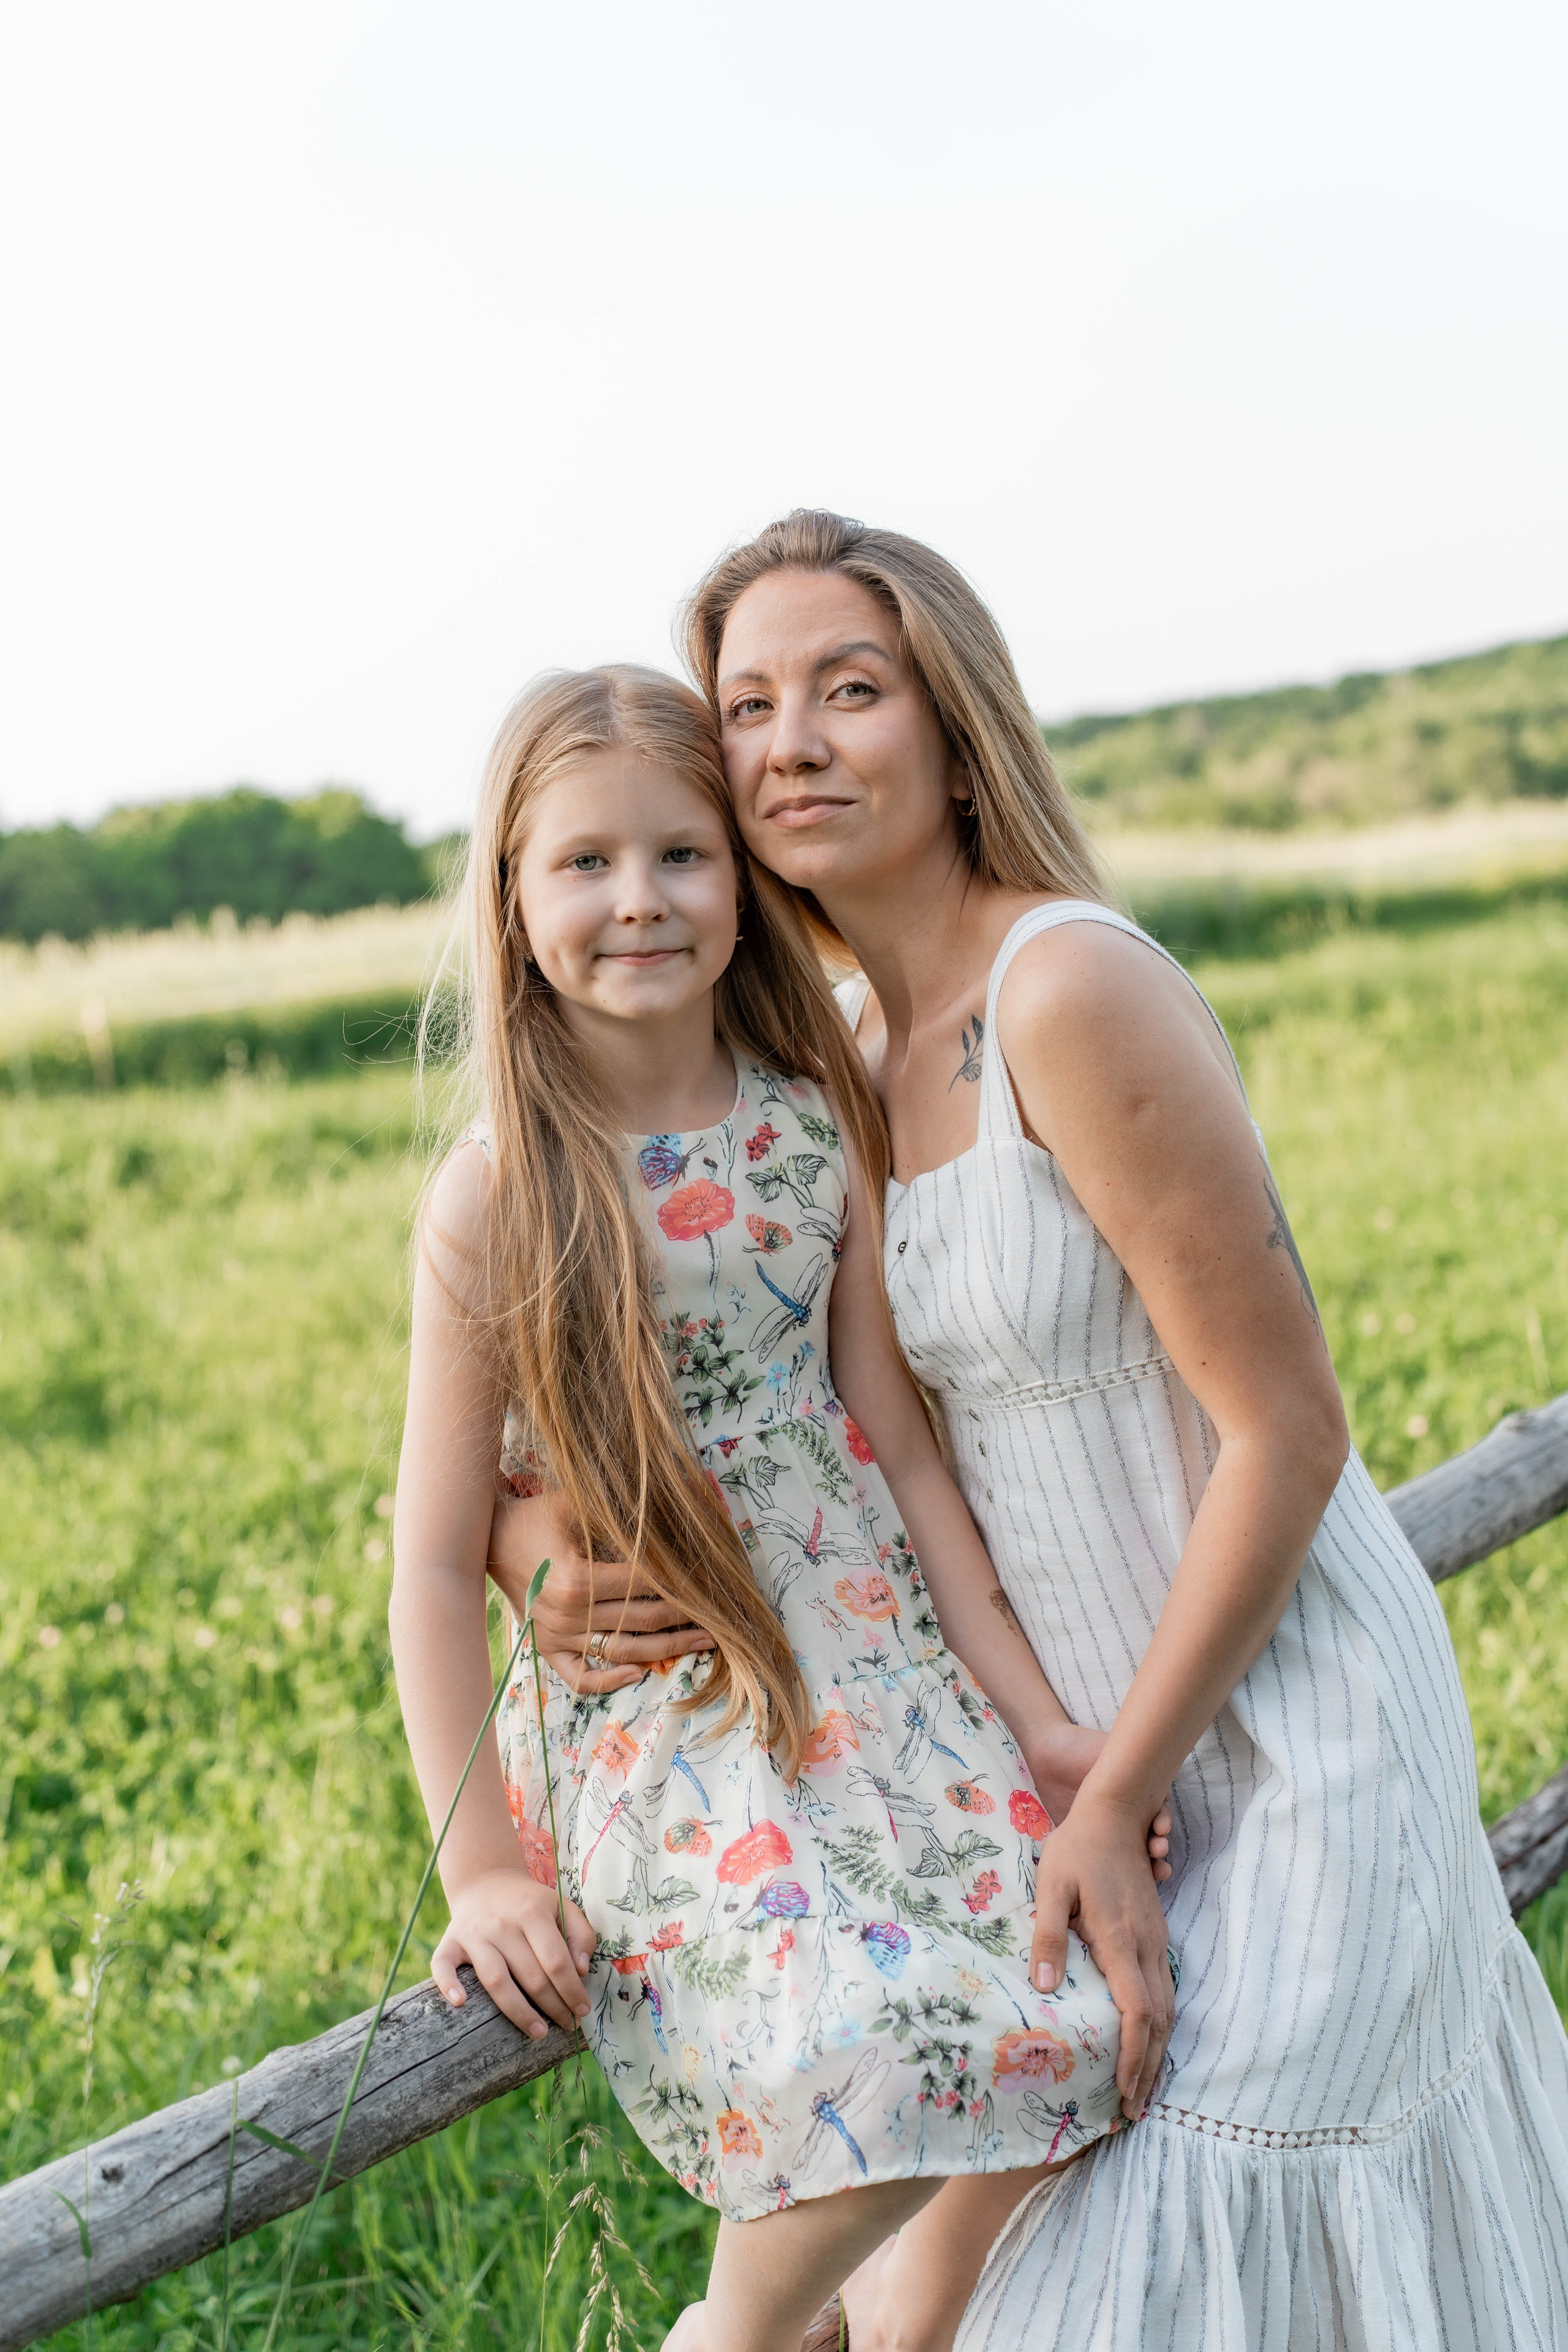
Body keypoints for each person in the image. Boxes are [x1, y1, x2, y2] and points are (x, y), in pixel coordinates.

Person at [501, 517, 1568, 2350]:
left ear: (952, 711)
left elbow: (1286, 1433)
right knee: (951, 2306)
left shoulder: (1065, 989)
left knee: (1196, 2246)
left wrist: (1123, 1785)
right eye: (747, 704)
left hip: (1269, 1720)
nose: (793, 743)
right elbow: (781, 1422)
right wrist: (543, 1562)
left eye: (851, 687)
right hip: (1039, 1749)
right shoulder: (834, 1050)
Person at [390, 663, 1172, 2352]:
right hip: (669, 1717)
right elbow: (435, 1562)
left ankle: (874, 2329)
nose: (638, 901)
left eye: (681, 854)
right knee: (869, 2034)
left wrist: (1037, 1722)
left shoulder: (814, 1134)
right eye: (582, 864)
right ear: (513, 905)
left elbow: (892, 1446)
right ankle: (735, 2340)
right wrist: (477, 1878)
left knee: (1087, 2005)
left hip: (875, 1662)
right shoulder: (501, 1195)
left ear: (743, 882)